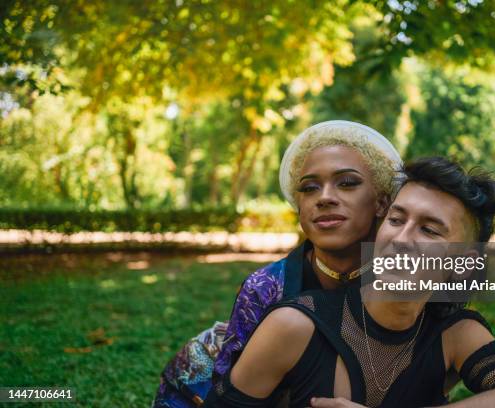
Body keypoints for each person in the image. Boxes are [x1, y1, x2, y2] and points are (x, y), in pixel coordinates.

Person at [206, 157, 495, 408]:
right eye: (396, 219)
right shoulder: (295, 325)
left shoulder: (454, 335)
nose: (402, 238)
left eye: (429, 229)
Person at [153, 120, 403, 407]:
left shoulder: (409, 277)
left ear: (382, 203)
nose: (324, 198)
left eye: (347, 183)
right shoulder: (265, 288)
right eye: (309, 188)